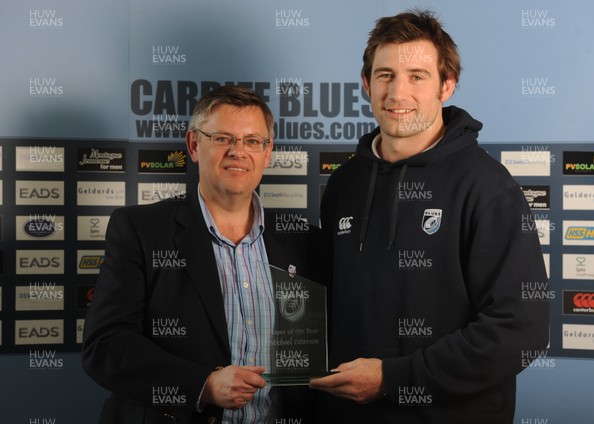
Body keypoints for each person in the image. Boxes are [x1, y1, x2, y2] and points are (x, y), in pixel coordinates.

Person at [309, 9, 549, 423]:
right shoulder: (345, 182)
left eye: (417, 76)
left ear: (447, 86)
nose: (397, 93)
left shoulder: (489, 187)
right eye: (385, 75)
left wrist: (393, 378)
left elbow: (519, 329)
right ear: (366, 84)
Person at [83, 85, 318, 424]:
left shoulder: (304, 242)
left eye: (253, 141)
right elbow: (105, 345)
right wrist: (203, 385)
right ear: (194, 145)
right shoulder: (140, 230)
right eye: (223, 138)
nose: (238, 152)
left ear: (268, 153)